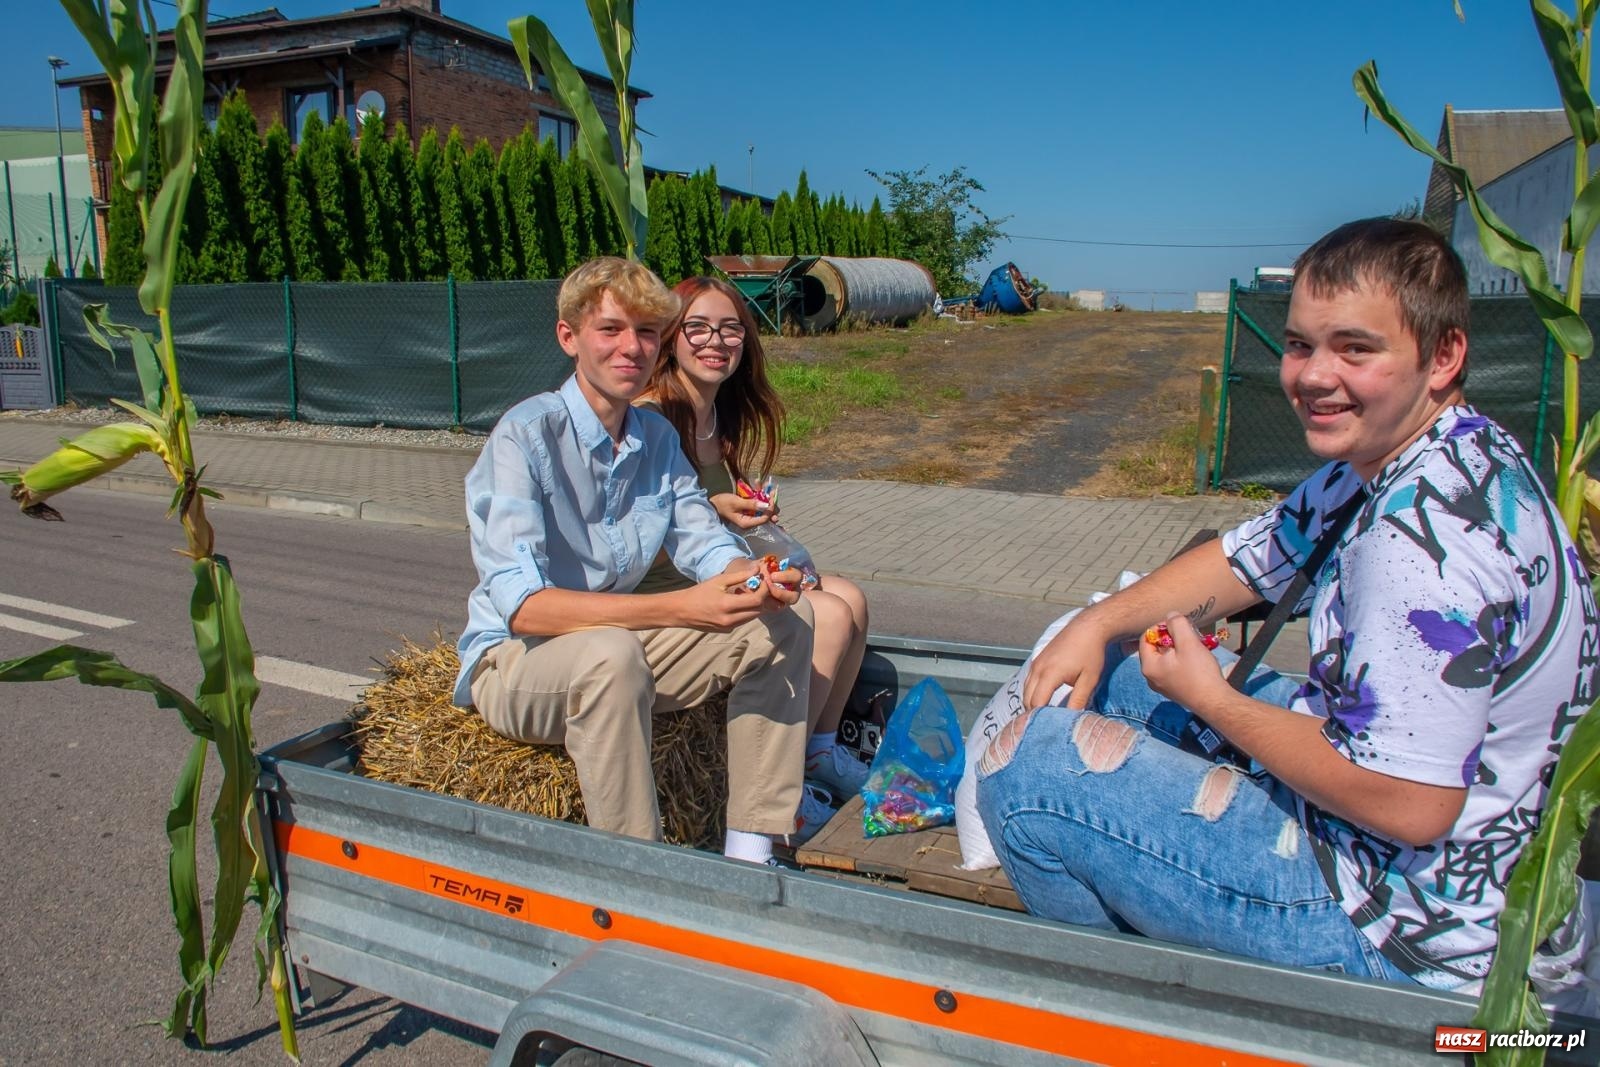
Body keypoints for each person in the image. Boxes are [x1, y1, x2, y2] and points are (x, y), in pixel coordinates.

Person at [976, 218, 1598, 991]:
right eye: (1302, 344)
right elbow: (1248, 559)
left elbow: (1413, 805)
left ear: (1443, 356)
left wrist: (1210, 698)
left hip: (1414, 933)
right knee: (1121, 673)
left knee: (1023, 773)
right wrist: (1096, 623)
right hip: (1457, 873)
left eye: (1355, 348)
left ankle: (1126, 1016)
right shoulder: (1425, 454)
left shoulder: (1419, 545)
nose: (1312, 374)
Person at [453, 257, 814, 866]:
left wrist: (759, 578)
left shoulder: (654, 437)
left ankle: (751, 851)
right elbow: (524, 608)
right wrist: (678, 606)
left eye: (647, 333)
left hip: (621, 649)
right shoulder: (525, 436)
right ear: (569, 338)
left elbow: (706, 545)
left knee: (782, 626)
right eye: (611, 330)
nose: (632, 348)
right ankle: (639, 876)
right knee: (610, 653)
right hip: (518, 663)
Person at [634, 276, 873, 805]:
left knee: (850, 596)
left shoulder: (718, 413)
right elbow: (634, 529)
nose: (714, 341)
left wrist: (750, 513)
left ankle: (819, 752)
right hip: (665, 591)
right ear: (671, 337)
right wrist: (715, 510)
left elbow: (716, 510)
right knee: (827, 613)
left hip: (720, 571)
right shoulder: (652, 417)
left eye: (730, 328)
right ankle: (778, 792)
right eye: (696, 327)